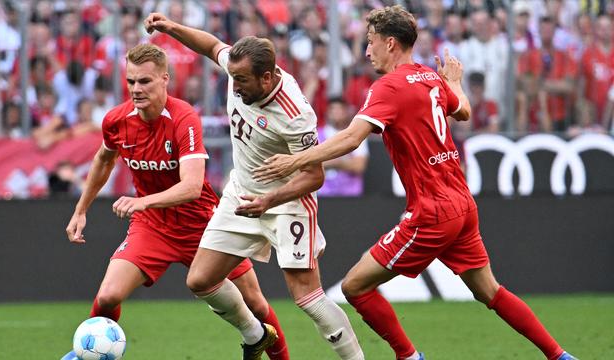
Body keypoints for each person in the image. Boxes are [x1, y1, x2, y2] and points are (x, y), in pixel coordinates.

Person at [253, 6, 578, 360]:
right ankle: (560, 356)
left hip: (433, 211)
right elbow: (464, 110)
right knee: (490, 292)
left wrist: (295, 159)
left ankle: (409, 357)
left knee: (355, 287)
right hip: (462, 204)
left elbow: (350, 140)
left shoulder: (388, 87)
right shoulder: (428, 76)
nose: (366, 50)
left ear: (390, 43)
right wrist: (453, 82)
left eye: (371, 41)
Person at [144, 13, 364, 360]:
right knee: (200, 280)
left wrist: (270, 199)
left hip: (289, 202)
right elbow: (211, 45)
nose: (234, 85)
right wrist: (170, 28)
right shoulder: (240, 70)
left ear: (267, 77)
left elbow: (314, 176)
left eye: (242, 80)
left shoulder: (295, 114)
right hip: (242, 194)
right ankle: (255, 334)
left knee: (307, 298)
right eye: (232, 76)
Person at [61, 44, 288, 360]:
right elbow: (103, 159)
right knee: (109, 296)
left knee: (256, 302)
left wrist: (143, 202)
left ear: (164, 79)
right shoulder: (116, 120)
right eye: (131, 82)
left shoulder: (184, 118)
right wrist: (80, 209)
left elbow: (192, 187)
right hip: (153, 226)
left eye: (145, 81)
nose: (136, 89)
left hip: (203, 224)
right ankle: (87, 356)